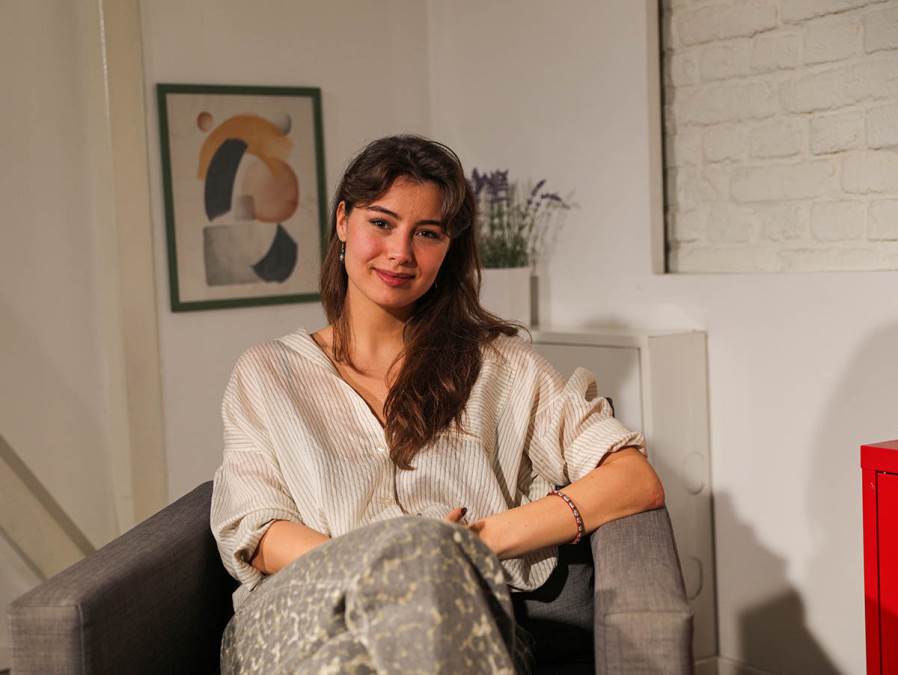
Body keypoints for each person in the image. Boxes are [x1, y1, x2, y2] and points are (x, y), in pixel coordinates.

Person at [210, 134, 665, 674]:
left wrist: (471, 544)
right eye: (382, 223)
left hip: (453, 616)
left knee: (430, 584)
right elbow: (257, 530)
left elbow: (634, 480)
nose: (401, 253)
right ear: (343, 222)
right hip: (303, 616)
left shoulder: (502, 366)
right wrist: (384, 564)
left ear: (449, 248)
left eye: (427, 233)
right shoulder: (267, 373)